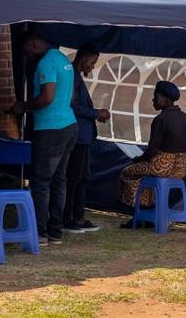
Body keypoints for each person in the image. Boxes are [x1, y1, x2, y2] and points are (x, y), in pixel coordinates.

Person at [7, 31, 77, 245]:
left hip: (51, 128)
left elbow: (47, 96)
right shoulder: (63, 59)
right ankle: (55, 231)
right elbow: (71, 95)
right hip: (69, 124)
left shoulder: (46, 64)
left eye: (26, 50)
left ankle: (40, 232)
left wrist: (24, 107)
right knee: (59, 180)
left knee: (41, 181)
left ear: (34, 44)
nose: (25, 55)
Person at [118, 81, 186, 228]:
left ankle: (138, 215)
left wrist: (138, 159)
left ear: (165, 99)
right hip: (181, 167)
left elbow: (152, 150)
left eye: (155, 97)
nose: (153, 100)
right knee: (145, 176)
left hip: (162, 166)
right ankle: (148, 214)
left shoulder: (161, 119)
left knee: (127, 173)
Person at [64, 44, 109, 233]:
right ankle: (69, 218)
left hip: (84, 136)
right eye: (91, 63)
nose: (92, 67)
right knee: (74, 177)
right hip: (78, 137)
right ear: (82, 59)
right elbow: (72, 106)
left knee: (82, 177)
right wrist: (95, 113)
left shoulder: (77, 77)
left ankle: (78, 217)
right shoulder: (72, 77)